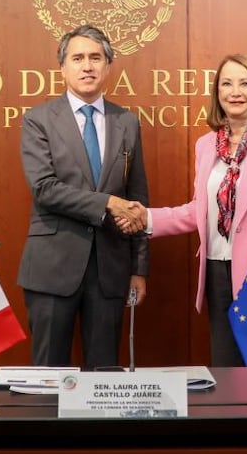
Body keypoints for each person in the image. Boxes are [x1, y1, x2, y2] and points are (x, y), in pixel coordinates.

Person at [122, 53, 247, 367]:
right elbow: (200, 209)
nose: (234, 91)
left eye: (244, 83)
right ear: (217, 92)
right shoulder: (207, 144)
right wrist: (146, 218)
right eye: (226, 83)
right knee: (226, 372)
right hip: (216, 271)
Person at [17, 25, 149, 370]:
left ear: (108, 66)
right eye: (77, 58)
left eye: (95, 58)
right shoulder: (38, 119)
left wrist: (139, 269)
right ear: (63, 68)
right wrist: (106, 203)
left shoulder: (127, 122)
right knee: (48, 376)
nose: (87, 66)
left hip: (111, 269)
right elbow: (44, 189)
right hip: (52, 268)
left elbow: (137, 199)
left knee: (104, 378)